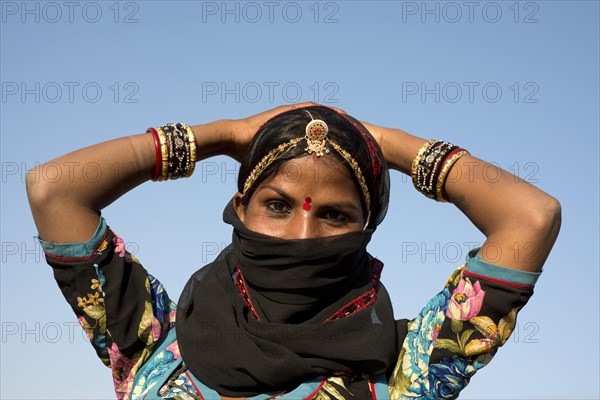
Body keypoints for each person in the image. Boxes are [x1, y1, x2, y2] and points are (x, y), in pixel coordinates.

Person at [25, 103, 561, 399]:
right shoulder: (155, 344)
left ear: (366, 228)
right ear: (240, 209)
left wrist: (379, 139)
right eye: (278, 206)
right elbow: (55, 188)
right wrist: (222, 134)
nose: (304, 236)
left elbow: (529, 218)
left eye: (335, 214)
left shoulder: (405, 371)